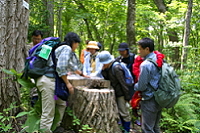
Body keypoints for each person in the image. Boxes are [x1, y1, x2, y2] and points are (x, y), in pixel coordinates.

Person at [36, 32, 87, 133]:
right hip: (48, 82)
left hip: (52, 82)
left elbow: (71, 65)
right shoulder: (66, 48)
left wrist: (82, 74)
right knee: (48, 112)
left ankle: (56, 127)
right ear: (73, 42)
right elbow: (61, 67)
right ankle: (45, 131)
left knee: (61, 103)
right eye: (77, 44)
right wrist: (68, 84)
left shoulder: (61, 48)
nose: (76, 47)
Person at [134, 37, 162, 133]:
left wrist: (134, 86)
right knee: (155, 127)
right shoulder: (159, 59)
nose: (139, 51)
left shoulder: (145, 64)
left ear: (147, 49)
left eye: (140, 49)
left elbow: (142, 86)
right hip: (160, 97)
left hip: (149, 99)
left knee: (147, 129)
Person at [98, 51, 131, 133]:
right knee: (118, 112)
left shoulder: (116, 68)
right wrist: (103, 70)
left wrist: (127, 97)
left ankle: (126, 130)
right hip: (114, 93)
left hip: (121, 94)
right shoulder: (107, 68)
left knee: (123, 112)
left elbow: (123, 83)